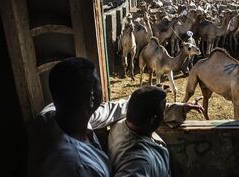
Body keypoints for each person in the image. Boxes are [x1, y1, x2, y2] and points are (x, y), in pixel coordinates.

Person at [27, 57, 202, 177]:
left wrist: (149, 98)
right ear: (92, 98)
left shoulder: (57, 113)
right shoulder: (78, 167)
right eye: (99, 85)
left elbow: (112, 109)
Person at [108, 86, 203, 177]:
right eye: (163, 110)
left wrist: (182, 109)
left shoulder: (120, 124)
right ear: (153, 119)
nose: (164, 112)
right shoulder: (140, 163)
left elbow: (145, 108)